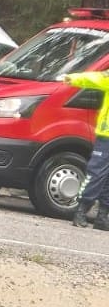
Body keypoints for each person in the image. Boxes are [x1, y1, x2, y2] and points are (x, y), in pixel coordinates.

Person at [62, 70, 109, 229]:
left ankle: (102, 217)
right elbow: (95, 78)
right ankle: (81, 211)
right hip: (106, 135)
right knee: (95, 173)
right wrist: (74, 78)